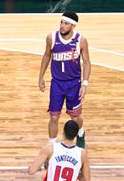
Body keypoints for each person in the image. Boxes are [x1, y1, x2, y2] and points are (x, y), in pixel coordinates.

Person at [38, 11, 90, 148]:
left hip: (74, 84)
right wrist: (41, 76)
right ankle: (51, 146)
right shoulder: (51, 38)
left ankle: (80, 133)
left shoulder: (81, 40)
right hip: (57, 83)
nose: (62, 25)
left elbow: (87, 63)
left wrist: (85, 83)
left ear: (73, 25)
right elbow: (46, 56)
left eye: (66, 23)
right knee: (54, 116)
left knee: (75, 117)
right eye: (61, 22)